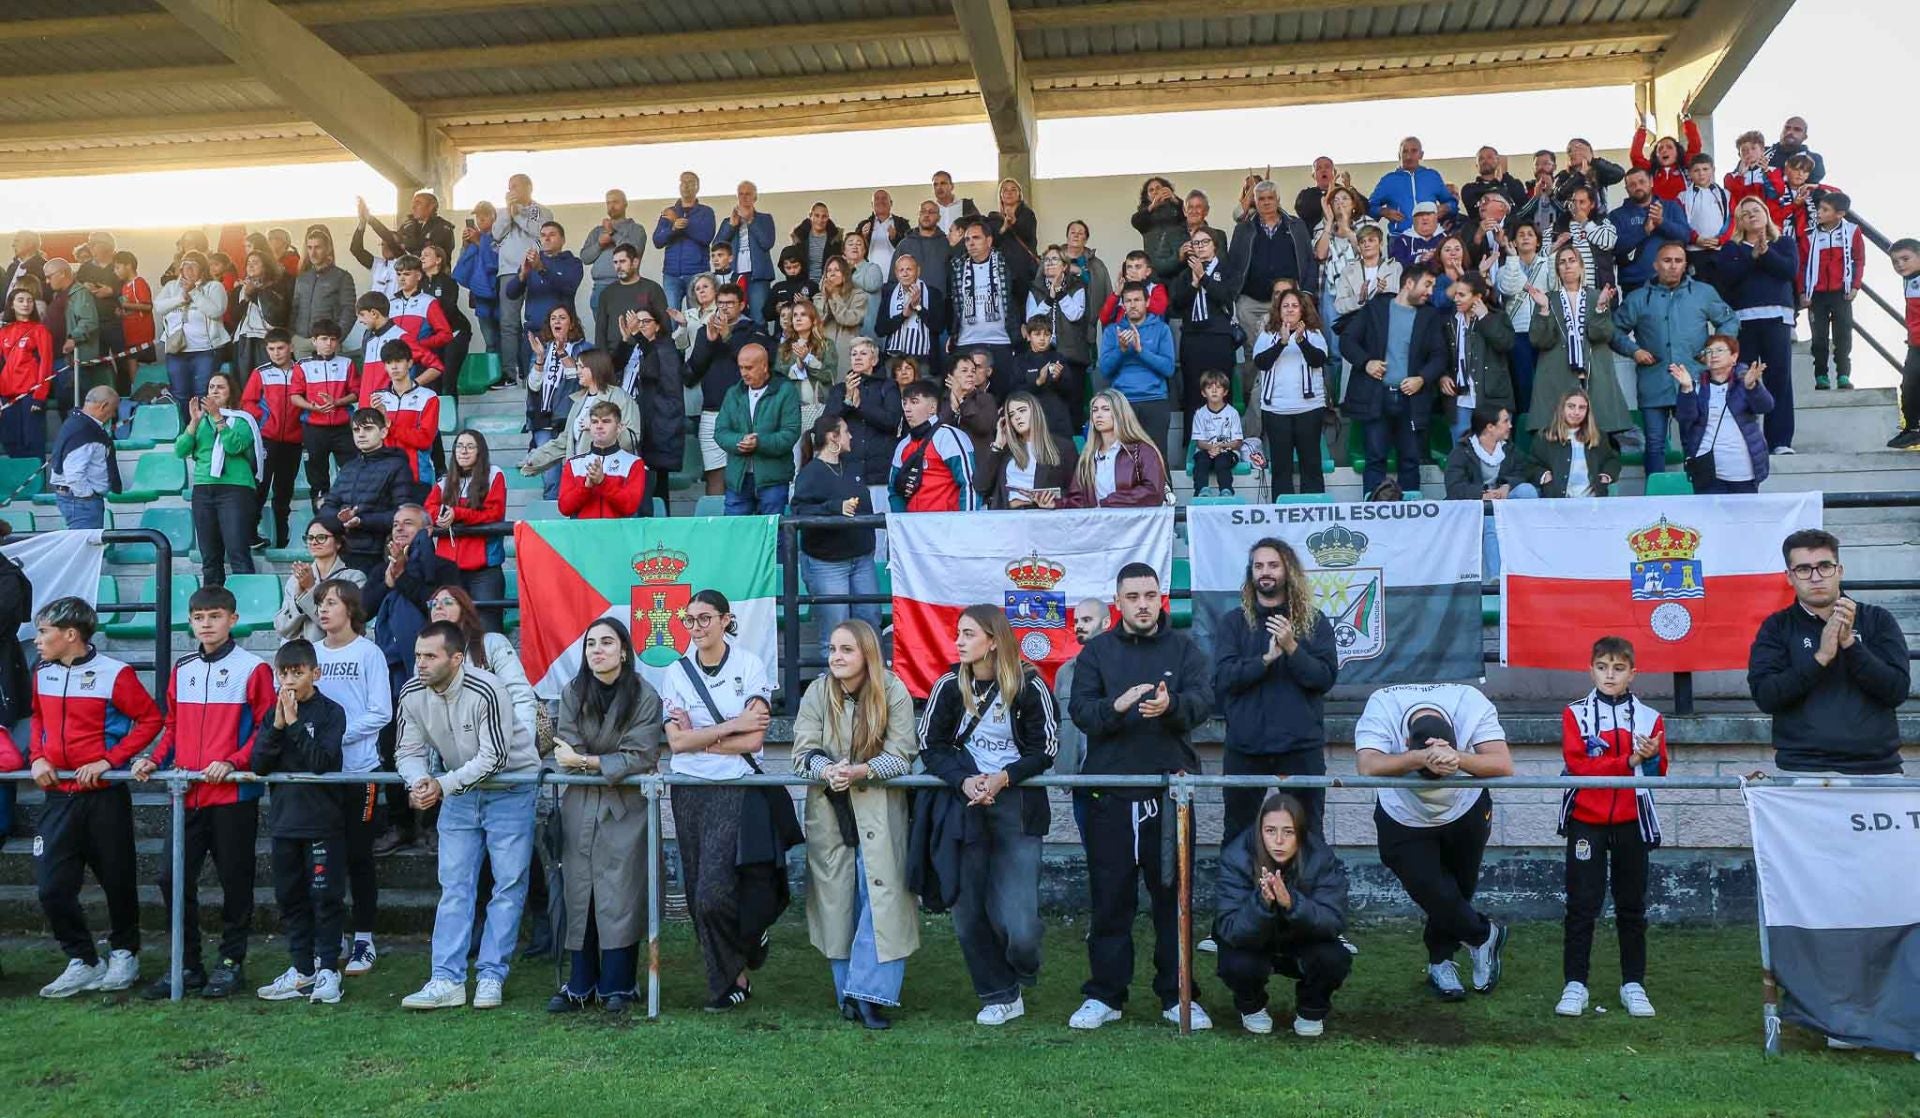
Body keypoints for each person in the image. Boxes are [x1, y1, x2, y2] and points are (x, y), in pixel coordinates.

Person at [1066, 563, 1212, 1030]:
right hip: (1109, 797)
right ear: (1118, 602)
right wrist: (1118, 706)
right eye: (1133, 597)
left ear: (1160, 598)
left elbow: (1204, 702)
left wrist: (1172, 706)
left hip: (1169, 797)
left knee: (1173, 900)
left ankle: (1177, 994)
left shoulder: (1184, 649)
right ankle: (1105, 995)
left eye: (1150, 595)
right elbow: (1081, 711)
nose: (1143, 605)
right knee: (1110, 901)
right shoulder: (1097, 653)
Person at [909, 606, 1058, 1027]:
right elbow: (930, 745)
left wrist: (1003, 778)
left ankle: (1021, 967)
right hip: (963, 807)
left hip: (1017, 807)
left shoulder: (1029, 685)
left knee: (1019, 923)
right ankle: (999, 994)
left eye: (968, 634)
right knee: (968, 907)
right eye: (958, 633)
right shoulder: (948, 685)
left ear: (993, 641)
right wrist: (965, 781)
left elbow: (1046, 748)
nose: (958, 641)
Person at [129, 584, 274, 1000]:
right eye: (198, 618)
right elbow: (172, 726)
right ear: (190, 623)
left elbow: (266, 729)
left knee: (235, 882)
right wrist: (154, 759)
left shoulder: (253, 669)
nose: (206, 624)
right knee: (169, 878)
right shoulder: (184, 668)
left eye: (214, 616)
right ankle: (187, 964)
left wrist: (233, 762)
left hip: (232, 797)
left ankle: (231, 963)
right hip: (186, 795)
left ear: (232, 620)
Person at [391, 620, 539, 1012]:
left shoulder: (488, 688)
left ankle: (491, 974)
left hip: (511, 788)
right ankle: (446, 979)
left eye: (430, 656)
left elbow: (496, 757)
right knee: (454, 885)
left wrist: (441, 785)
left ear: (456, 659)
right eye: (418, 655)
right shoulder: (411, 692)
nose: (420, 663)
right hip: (458, 792)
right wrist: (419, 781)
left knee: (508, 885)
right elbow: (407, 751)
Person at [26, 596, 164, 997]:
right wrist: (37, 756)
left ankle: (124, 953)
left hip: (105, 797)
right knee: (51, 887)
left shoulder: (115, 673)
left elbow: (150, 719)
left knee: (117, 879)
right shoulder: (42, 672)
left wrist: (110, 760)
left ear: (71, 634)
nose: (37, 640)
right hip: (58, 796)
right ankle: (83, 960)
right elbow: (37, 719)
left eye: (44, 632)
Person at [788, 619, 918, 1029]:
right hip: (832, 811)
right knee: (837, 903)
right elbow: (802, 752)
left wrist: (863, 771)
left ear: (867, 653)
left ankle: (869, 995)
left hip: (879, 810)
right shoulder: (817, 692)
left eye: (846, 649)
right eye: (832, 649)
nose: (836, 657)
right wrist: (828, 771)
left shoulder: (893, 690)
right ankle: (848, 994)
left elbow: (903, 754)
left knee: (881, 899)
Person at [660, 589, 782, 1012]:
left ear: (726, 620)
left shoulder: (749, 665)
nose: (696, 627)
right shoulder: (676, 672)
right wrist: (731, 726)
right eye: (689, 619)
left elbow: (755, 739)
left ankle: (749, 940)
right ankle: (732, 979)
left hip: (736, 786)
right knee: (697, 892)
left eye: (705, 618)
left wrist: (702, 737)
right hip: (689, 789)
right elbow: (677, 743)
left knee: (715, 892)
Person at [1354, 683, 1514, 1001]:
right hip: (1402, 812)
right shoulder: (1383, 704)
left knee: (1458, 888)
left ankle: (1441, 962)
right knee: (1430, 887)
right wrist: (1417, 758)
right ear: (1405, 741)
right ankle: (1483, 935)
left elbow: (1502, 763)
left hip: (1465, 807)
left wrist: (1457, 758)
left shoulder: (1469, 701)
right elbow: (1367, 765)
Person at [544, 618, 663, 1013]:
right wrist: (598, 762)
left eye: (607, 642)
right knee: (580, 891)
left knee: (620, 893)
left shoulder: (645, 696)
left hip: (625, 808)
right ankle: (580, 983)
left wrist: (587, 762)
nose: (597, 650)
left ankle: (619, 984)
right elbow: (565, 747)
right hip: (580, 805)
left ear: (624, 651)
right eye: (591, 643)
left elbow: (640, 755)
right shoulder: (573, 691)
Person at [1555, 636, 1668, 1020]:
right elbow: (1579, 767)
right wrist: (1628, 761)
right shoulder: (1574, 714)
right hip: (1586, 821)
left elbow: (1658, 772)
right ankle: (1575, 984)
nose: (1610, 675)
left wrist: (1646, 759)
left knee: (1632, 906)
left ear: (1632, 673)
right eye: (1602, 667)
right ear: (1591, 670)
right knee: (1581, 905)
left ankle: (1633, 984)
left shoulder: (1651, 718)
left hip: (1632, 822)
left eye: (1618, 668)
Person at [1749, 528, 1910, 776]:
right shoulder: (1776, 627)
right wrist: (1820, 658)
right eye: (1804, 569)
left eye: (1825, 566)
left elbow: (1896, 691)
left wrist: (1850, 645)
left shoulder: (1877, 620)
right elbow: (1766, 698)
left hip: (1877, 769)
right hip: (1803, 769)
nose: (1816, 577)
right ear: (1789, 577)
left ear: (1840, 570)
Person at [1213, 538, 1339, 845]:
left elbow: (1324, 679)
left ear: (1288, 570)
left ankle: (1305, 881)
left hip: (1300, 749)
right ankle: (1243, 881)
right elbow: (1223, 679)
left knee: (1308, 835)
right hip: (1245, 748)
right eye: (1258, 566)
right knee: (1238, 835)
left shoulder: (1313, 621)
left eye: (1273, 565)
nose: (1265, 572)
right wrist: (1265, 661)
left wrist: (1292, 648)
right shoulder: (1234, 622)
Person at [250, 639, 350, 1005]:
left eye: (298, 672)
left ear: (315, 673)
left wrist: (293, 724)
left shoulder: (331, 713)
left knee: (325, 898)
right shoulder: (273, 714)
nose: (289, 681)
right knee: (290, 897)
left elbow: (321, 762)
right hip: (284, 823)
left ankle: (328, 971)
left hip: (323, 823)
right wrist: (278, 726)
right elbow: (259, 765)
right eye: (284, 673)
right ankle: (301, 969)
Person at [1213, 792, 1352, 1038]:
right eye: (1270, 831)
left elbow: (1334, 919)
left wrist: (1292, 903)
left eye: (1288, 832)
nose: (1278, 840)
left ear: (1300, 833)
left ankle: (1312, 1008)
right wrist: (1262, 903)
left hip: (1302, 939)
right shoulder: (1236, 857)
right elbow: (1230, 928)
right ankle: (1251, 1006)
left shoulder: (1320, 856)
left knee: (1334, 958)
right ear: (1260, 831)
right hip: (1254, 942)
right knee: (1236, 964)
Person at [309, 579, 391, 976]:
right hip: (320, 774)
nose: (323, 610)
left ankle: (364, 938)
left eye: (331, 603)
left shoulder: (368, 653)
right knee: (324, 859)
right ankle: (332, 936)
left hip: (360, 772)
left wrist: (337, 736)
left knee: (359, 857)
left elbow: (381, 712)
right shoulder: (310, 653)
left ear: (351, 609)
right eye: (320, 603)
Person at [1610, 243, 1738, 473]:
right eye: (1667, 260)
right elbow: (1614, 330)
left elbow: (1729, 320)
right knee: (1654, 444)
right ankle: (1655, 492)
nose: (1673, 266)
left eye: (1678, 261)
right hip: (1653, 380)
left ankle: (1695, 490)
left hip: (1693, 379)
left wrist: (1714, 351)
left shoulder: (1703, 293)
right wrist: (1634, 351)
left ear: (1685, 265)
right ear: (1655, 265)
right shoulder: (1638, 298)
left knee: (1694, 441)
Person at [1341, 268, 1445, 496]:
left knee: (1411, 460)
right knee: (1375, 458)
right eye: (1427, 285)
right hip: (1377, 397)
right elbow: (1347, 341)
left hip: (1412, 400)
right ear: (1409, 283)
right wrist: (1366, 363)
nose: (1430, 292)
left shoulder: (1430, 315)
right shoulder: (1375, 308)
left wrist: (1422, 378)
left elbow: (1440, 356)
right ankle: (1374, 509)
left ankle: (1409, 511)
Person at [790, 414, 882, 659]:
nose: (850, 436)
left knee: (870, 621)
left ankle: (871, 679)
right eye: (846, 431)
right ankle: (834, 683)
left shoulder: (852, 467)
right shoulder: (810, 474)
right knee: (835, 630)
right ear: (833, 437)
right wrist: (834, 508)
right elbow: (799, 512)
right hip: (827, 563)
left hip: (861, 558)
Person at [1717, 197, 1799, 455]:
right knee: (1744, 380)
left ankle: (1779, 441)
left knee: (1779, 380)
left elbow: (1789, 271)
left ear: (1766, 214)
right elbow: (1726, 279)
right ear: (1739, 221)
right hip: (1744, 322)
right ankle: (1744, 440)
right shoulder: (1731, 249)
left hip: (1778, 318)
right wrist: (1752, 257)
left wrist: (1766, 253)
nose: (1752, 215)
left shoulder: (1783, 243)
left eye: (1756, 210)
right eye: (1745, 213)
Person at [1526, 247, 1628, 439]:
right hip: (1557, 374)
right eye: (1562, 262)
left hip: (1593, 373)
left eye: (1572, 260)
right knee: (1559, 436)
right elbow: (1540, 341)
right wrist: (1544, 310)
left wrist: (1600, 308)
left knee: (1596, 438)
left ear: (1581, 267)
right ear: (1557, 270)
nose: (1567, 266)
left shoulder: (1596, 296)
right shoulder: (1548, 298)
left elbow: (1602, 335)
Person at [174, 370, 261, 587]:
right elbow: (180, 450)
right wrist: (194, 422)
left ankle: (247, 600)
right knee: (209, 555)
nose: (214, 391)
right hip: (203, 489)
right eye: (211, 387)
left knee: (237, 550)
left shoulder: (242, 419)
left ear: (231, 392)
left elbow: (234, 446)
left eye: (220, 387)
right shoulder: (200, 421)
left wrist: (218, 418)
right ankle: (212, 601)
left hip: (235, 489)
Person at [688, 284, 774, 496]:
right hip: (712, 410)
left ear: (742, 305)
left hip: (745, 410)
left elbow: (754, 363)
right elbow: (693, 371)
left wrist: (727, 337)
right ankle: (716, 518)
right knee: (714, 474)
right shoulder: (705, 330)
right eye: (720, 303)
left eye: (730, 303)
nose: (724, 307)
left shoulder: (754, 330)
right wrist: (709, 341)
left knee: (747, 474)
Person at [1249, 288, 1329, 497]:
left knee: (1311, 464)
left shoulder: (1314, 333)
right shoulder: (1268, 334)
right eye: (1286, 306)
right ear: (1278, 310)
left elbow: (1318, 360)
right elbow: (1261, 362)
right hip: (1276, 410)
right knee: (1280, 467)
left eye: (1295, 305)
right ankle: (1281, 510)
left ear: (1302, 309)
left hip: (1309, 409)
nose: (1290, 310)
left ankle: (1314, 510)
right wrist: (1282, 343)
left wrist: (1301, 341)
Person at [317, 408, 414, 577]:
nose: (361, 434)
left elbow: (403, 515)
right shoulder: (348, 467)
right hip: (343, 550)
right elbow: (328, 506)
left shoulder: (398, 466)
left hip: (377, 555)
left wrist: (361, 520)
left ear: (383, 432)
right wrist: (341, 518)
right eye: (356, 430)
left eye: (368, 428)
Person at [1671, 338, 1772, 494]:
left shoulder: (1745, 381)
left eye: (1719, 350)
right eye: (1709, 351)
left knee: (1744, 510)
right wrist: (1686, 389)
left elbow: (1766, 406)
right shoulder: (1696, 385)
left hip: (1743, 469)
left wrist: (1752, 387)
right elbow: (1685, 419)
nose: (1714, 355)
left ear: (1734, 357)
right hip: (1706, 469)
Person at [948, 216, 1032, 399]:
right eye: (967, 239)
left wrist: (1023, 322)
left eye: (976, 238)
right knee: (965, 398)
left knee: (1003, 396)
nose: (971, 243)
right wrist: (952, 332)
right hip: (966, 341)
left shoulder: (1006, 263)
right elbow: (952, 302)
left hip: (1001, 341)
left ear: (989, 240)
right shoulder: (956, 266)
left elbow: (1020, 293)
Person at [611, 305, 686, 511]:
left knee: (654, 491)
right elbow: (612, 368)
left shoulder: (665, 347)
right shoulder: (633, 347)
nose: (640, 326)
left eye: (645, 322)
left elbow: (653, 370)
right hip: (625, 419)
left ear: (658, 326)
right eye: (637, 322)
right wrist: (626, 340)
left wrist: (638, 337)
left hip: (654, 426)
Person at [1444, 405, 1536, 572]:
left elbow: (1525, 471)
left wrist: (1507, 486)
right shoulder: (1462, 452)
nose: (1510, 425)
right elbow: (1454, 488)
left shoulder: (1509, 448)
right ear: (1490, 427)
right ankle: (1496, 577)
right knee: (1489, 517)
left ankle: (1529, 557)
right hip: (1476, 507)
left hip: (1503, 503)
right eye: (1505, 421)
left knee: (1527, 490)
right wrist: (1483, 495)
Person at [521, 348, 641, 474]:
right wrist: (534, 460)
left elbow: (632, 438)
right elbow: (564, 441)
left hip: (611, 475)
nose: (578, 371)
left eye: (582, 367)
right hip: (579, 475)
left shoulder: (620, 397)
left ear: (596, 368)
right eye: (577, 366)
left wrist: (598, 427)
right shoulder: (578, 401)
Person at [713, 341, 801, 515]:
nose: (743, 373)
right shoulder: (733, 393)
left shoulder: (786, 391)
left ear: (764, 366)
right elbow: (720, 432)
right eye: (741, 367)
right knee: (735, 529)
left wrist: (759, 443)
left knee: (771, 530)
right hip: (738, 479)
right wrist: (740, 441)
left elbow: (791, 433)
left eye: (749, 368)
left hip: (773, 480)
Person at [1172, 230, 1240, 443]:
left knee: (1220, 388)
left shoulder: (1227, 269)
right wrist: (1193, 284)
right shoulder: (1185, 273)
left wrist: (1204, 277)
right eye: (1195, 243)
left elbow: (1226, 297)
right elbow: (1176, 304)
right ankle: (1193, 447)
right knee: (1194, 391)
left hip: (1218, 337)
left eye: (1205, 242)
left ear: (1215, 245)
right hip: (1192, 337)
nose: (1200, 246)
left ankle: (1225, 444)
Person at [1097, 283, 1177, 459]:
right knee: (1124, 460)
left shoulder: (1161, 329)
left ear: (1147, 302)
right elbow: (1105, 370)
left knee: (1157, 458)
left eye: (1137, 300)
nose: (1132, 305)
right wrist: (1121, 350)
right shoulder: (1112, 331)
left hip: (1155, 399)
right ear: (1123, 304)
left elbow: (1169, 369)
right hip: (1123, 402)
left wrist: (1141, 351)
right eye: (1128, 301)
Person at [241, 329, 303, 547]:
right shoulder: (261, 373)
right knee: (260, 487)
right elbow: (248, 402)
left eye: (281, 348)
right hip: (266, 440)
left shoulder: (302, 372)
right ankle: (250, 534)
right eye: (271, 349)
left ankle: (282, 539)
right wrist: (264, 419)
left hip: (294, 441)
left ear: (291, 347)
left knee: (284, 491)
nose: (276, 353)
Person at [153, 251, 230, 424]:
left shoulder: (214, 287)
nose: (187, 269)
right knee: (180, 393)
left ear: (202, 269)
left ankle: (205, 430)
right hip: (176, 350)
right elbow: (159, 307)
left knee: (203, 392)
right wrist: (181, 298)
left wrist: (194, 292)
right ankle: (187, 430)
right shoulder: (171, 286)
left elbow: (216, 311)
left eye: (193, 265)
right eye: (184, 265)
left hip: (206, 351)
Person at [1799, 192, 1865, 392]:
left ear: (1840, 214)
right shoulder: (1809, 234)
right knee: (1819, 336)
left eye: (1825, 209)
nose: (1819, 212)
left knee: (1843, 334)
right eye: (1819, 208)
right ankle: (1821, 375)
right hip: (1816, 294)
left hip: (1841, 292)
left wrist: (1855, 286)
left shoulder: (1852, 231)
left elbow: (1859, 260)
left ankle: (1843, 374)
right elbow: (1801, 265)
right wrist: (1802, 291)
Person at [289, 318, 357, 506]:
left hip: (343, 428)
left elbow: (356, 393)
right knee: (318, 481)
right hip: (314, 429)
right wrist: (312, 407)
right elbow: (294, 397)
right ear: (314, 341)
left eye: (333, 339)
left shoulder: (347, 363)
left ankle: (349, 516)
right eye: (324, 339)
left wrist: (337, 402)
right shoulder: (302, 365)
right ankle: (321, 520)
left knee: (352, 475)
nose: (329, 343)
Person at [1064, 389, 1168, 509]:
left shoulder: (1142, 451)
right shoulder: (1087, 456)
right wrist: (1056, 503)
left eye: (1106, 409)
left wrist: (1109, 502)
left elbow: (1153, 492)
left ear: (1120, 413)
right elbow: (1077, 500)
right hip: (1097, 520)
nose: (1098, 415)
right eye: (1095, 410)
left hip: (1132, 521)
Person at [890, 379, 980, 512]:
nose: (907, 409)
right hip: (912, 524)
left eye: (914, 402)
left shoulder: (949, 437)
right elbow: (894, 491)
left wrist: (967, 521)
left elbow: (969, 484)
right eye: (904, 403)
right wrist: (901, 522)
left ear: (932, 407)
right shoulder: (903, 445)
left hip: (947, 523)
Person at [976, 391, 1075, 510]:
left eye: (1022, 410)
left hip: (1042, 515)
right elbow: (981, 487)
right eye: (1011, 415)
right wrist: (997, 445)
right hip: (1006, 515)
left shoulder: (1063, 447)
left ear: (1035, 412)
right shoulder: (1005, 450)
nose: (1017, 417)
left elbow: (1075, 493)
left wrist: (1055, 502)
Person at [275, 515, 366, 643]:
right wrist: (298, 602)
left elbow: (348, 628)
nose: (314, 542)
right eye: (310, 538)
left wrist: (310, 590)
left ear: (338, 542)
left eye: (321, 537)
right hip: (298, 652)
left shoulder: (353, 578)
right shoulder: (296, 579)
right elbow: (282, 628)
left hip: (336, 652)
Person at [1494, 224, 1554, 414]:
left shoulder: (1548, 264)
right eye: (1521, 235)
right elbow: (1508, 288)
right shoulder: (1505, 268)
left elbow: (1555, 287)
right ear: (1514, 242)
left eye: (1530, 234)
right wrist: (1512, 258)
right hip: (1518, 332)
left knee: (1546, 382)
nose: (1526, 238)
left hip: (1545, 329)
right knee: (1522, 383)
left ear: (1538, 242)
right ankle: (1524, 424)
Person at [1522, 389, 1619, 498]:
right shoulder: (1545, 437)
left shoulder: (1598, 436)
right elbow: (1530, 465)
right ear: (1562, 408)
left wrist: (1606, 476)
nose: (1576, 412)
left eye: (1582, 408)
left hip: (1592, 501)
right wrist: (1545, 476)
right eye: (1571, 406)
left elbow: (1612, 460)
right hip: (1557, 501)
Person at [48, 385, 120, 529]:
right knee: (85, 542)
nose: (113, 415)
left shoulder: (76, 423)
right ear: (103, 406)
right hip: (81, 501)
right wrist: (88, 496)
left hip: (77, 499)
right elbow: (74, 473)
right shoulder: (84, 430)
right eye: (113, 410)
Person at [1610, 168, 1692, 294]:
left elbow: (1685, 237)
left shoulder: (1671, 207)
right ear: (1626, 189)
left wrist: (1661, 222)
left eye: (1642, 182)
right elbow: (1614, 247)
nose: (1638, 187)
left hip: (1672, 281)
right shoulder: (1617, 215)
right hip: (1634, 284)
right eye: (1632, 184)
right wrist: (1644, 231)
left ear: (1651, 182)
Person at [655, 171, 718, 311]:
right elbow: (657, 241)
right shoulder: (669, 212)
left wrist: (683, 225)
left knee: (697, 318)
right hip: (671, 275)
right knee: (671, 317)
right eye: (683, 182)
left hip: (698, 275)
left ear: (698, 187)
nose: (686, 186)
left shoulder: (706, 212)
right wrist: (673, 229)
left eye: (690, 182)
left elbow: (706, 237)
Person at [289, 228, 355, 360]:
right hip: (302, 341)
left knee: (330, 374)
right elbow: (295, 308)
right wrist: (293, 336)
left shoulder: (342, 277)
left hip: (327, 341)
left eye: (317, 247)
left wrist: (337, 337)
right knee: (304, 374)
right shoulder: (302, 278)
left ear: (328, 249)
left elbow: (349, 310)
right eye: (309, 247)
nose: (313, 253)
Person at [1369, 137, 1456, 233]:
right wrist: (1383, 211)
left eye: (1414, 151)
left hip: (1431, 237)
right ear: (1399, 155)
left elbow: (1452, 203)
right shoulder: (1388, 180)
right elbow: (1369, 207)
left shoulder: (1432, 176)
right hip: (1399, 236)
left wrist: (1446, 207)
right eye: (1405, 152)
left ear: (1421, 154)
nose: (1409, 156)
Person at [1188, 370, 1243, 496]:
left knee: (1222, 461)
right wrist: (1211, 448)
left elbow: (1237, 442)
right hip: (1206, 450)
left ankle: (1226, 491)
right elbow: (1199, 442)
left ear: (1225, 392)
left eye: (1218, 387)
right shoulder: (1200, 413)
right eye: (1209, 388)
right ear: (1203, 393)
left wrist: (1220, 447)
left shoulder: (1232, 413)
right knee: (1201, 461)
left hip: (1228, 452)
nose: (1214, 391)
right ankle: (1202, 491)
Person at [1556, 185, 1618, 292]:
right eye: (1574, 202)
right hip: (1569, 293)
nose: (1577, 207)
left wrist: (1584, 223)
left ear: (1592, 204)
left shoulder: (1602, 223)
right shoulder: (1561, 226)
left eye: (1582, 202)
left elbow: (1608, 242)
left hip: (1598, 293)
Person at [1893, 238, 1920, 450]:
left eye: (1905, 259)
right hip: (1915, 343)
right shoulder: (1908, 280)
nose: (1900, 265)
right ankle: (1913, 429)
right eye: (1895, 262)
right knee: (1909, 385)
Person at [1765, 115, 1825, 183]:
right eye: (1787, 128)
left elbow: (1812, 185)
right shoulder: (1762, 152)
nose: (1790, 132)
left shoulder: (1814, 159)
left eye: (1797, 129)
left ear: (1805, 137)